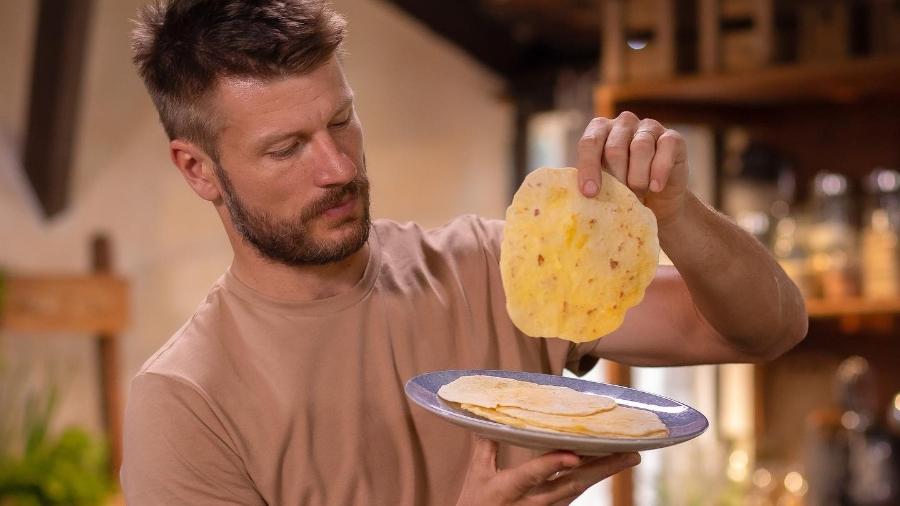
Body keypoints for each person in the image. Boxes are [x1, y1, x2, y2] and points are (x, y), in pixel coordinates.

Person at [121, 1, 808, 505]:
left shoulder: (489, 267)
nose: (336, 166)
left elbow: (767, 326)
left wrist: (677, 214)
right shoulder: (185, 402)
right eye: (287, 147)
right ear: (197, 169)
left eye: (340, 121)